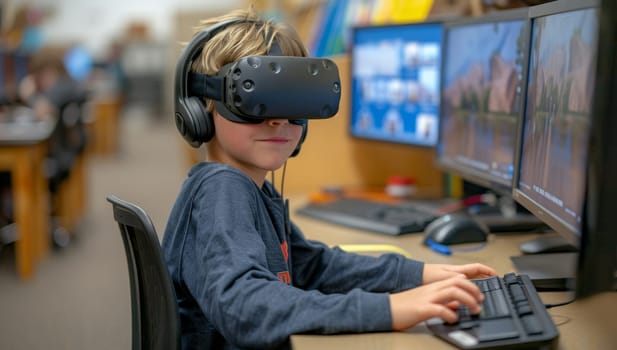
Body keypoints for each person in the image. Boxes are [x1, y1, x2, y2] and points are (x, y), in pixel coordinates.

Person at [162, 7, 497, 350]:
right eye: (253, 101)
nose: (278, 121)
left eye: (292, 102)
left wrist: (416, 275)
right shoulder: (222, 191)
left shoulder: (251, 188)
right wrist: (388, 309)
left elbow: (311, 267)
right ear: (200, 107)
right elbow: (247, 307)